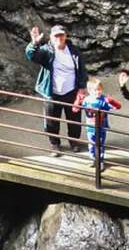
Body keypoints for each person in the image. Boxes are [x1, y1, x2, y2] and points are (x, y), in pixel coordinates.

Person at [27, 24, 88, 156]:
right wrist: (34, 43)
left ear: (65, 36)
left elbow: (82, 70)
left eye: (61, 35)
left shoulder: (74, 51)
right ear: (51, 37)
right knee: (51, 120)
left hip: (71, 92)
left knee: (74, 119)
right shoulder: (46, 51)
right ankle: (54, 144)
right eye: (56, 35)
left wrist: (82, 88)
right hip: (52, 93)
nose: (59, 38)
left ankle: (74, 141)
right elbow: (32, 55)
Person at [78, 78, 122, 166]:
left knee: (100, 144)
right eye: (95, 90)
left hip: (101, 127)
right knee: (91, 144)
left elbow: (118, 106)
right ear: (90, 91)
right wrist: (78, 100)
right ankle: (93, 158)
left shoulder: (104, 100)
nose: (97, 92)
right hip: (90, 126)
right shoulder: (86, 100)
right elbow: (75, 109)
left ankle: (100, 160)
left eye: (99, 89)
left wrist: (111, 101)